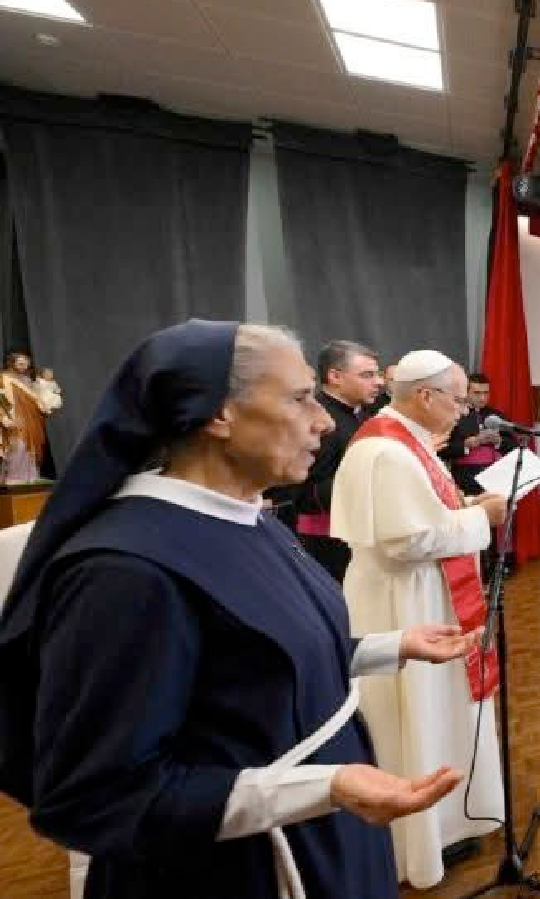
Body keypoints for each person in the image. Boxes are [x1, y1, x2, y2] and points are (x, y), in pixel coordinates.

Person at [0, 321, 478, 898]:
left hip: (322, 832)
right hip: (235, 870)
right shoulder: (124, 571)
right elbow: (96, 796)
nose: (325, 421)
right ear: (220, 414)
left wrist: (390, 646)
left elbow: (249, 658)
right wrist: (322, 788)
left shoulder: (246, 515)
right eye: (300, 398)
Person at [329, 350, 510, 889]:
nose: (464, 410)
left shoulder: (405, 439)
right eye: (457, 399)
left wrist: (463, 506)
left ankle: (448, 821)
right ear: (425, 396)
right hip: (404, 599)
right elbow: (408, 540)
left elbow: (426, 514)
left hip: (425, 591)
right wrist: (482, 516)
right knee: (417, 710)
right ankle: (419, 837)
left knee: (437, 709)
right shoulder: (386, 450)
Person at [269, 340, 383, 582]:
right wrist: (373, 475)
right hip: (325, 541)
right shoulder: (313, 419)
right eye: (367, 375)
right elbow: (299, 489)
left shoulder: (365, 414)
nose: (379, 382)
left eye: (377, 374)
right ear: (335, 376)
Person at [440, 373, 515, 497]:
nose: (482, 398)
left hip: (495, 475)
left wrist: (499, 441)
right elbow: (441, 449)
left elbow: (513, 446)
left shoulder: (496, 415)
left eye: (486, 393)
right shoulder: (453, 415)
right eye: (477, 393)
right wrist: (466, 445)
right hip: (465, 478)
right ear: (466, 392)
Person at [0, 351, 56, 483]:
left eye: (26, 364)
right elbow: (1, 399)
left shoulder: (27, 380)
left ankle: (29, 477)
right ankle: (13, 478)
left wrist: (45, 405)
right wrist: (3, 417)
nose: (24, 366)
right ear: (12, 363)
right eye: (20, 363)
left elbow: (36, 398)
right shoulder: (3, 378)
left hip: (31, 419)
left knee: (31, 448)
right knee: (18, 445)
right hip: (13, 416)